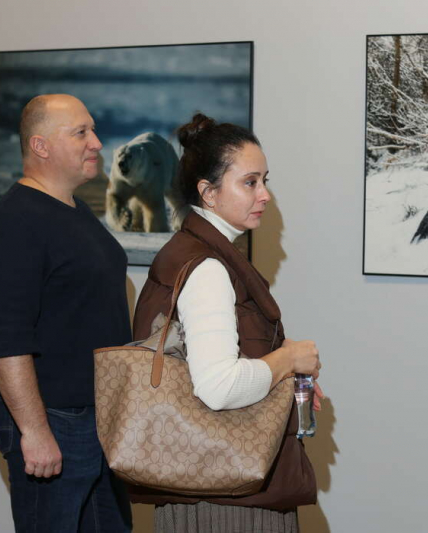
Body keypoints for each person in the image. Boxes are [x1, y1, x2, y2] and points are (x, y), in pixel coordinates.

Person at [131, 113, 324, 533]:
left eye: (265, 180)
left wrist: (280, 377)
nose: (265, 195)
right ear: (209, 193)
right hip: (227, 503)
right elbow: (218, 387)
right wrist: (288, 360)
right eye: (250, 182)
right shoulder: (206, 268)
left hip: (213, 486)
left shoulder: (193, 252)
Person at [0, 94, 132, 532]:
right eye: (80, 132)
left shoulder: (74, 209)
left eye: (93, 130)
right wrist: (36, 431)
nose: (97, 142)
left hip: (94, 417)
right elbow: (4, 340)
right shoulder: (15, 222)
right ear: (40, 146)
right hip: (55, 419)